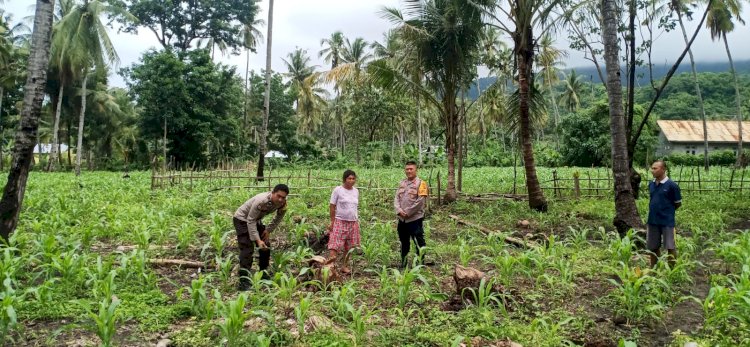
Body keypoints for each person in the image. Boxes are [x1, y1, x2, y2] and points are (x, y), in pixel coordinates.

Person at [232, 184, 289, 291]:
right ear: (272, 193)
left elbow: (278, 217)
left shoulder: (283, 204)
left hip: (255, 220)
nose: (280, 199)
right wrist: (258, 240)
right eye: (278, 196)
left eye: (283, 197)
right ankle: (243, 281)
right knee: (247, 248)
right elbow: (250, 220)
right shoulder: (261, 201)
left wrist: (268, 230)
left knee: (266, 245)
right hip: (242, 219)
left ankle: (263, 272)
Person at [647, 160, 682, 268]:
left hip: (667, 221)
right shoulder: (651, 184)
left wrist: (666, 211)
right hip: (652, 220)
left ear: (663, 169)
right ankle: (654, 269)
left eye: (655, 168)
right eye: (652, 168)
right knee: (653, 247)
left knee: (670, 246)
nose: (652, 171)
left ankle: (672, 270)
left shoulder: (672, 186)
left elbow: (677, 203)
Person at [394, 161, 429, 268]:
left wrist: (408, 212)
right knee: (404, 242)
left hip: (414, 219)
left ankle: (420, 264)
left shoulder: (421, 184)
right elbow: (396, 198)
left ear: (416, 170)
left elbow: (420, 202)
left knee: (419, 242)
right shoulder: (402, 183)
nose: (409, 171)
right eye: (407, 169)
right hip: (402, 219)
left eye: (411, 169)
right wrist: (399, 210)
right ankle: (403, 263)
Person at [325, 170, 360, 274]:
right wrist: (332, 221)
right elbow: (332, 206)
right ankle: (331, 266)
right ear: (344, 179)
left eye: (353, 178)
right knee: (334, 244)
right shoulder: (338, 190)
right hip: (340, 220)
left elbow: (355, 207)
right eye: (349, 178)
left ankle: (344, 266)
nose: (351, 180)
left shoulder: (356, 191)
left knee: (349, 246)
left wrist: (357, 220)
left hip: (353, 222)